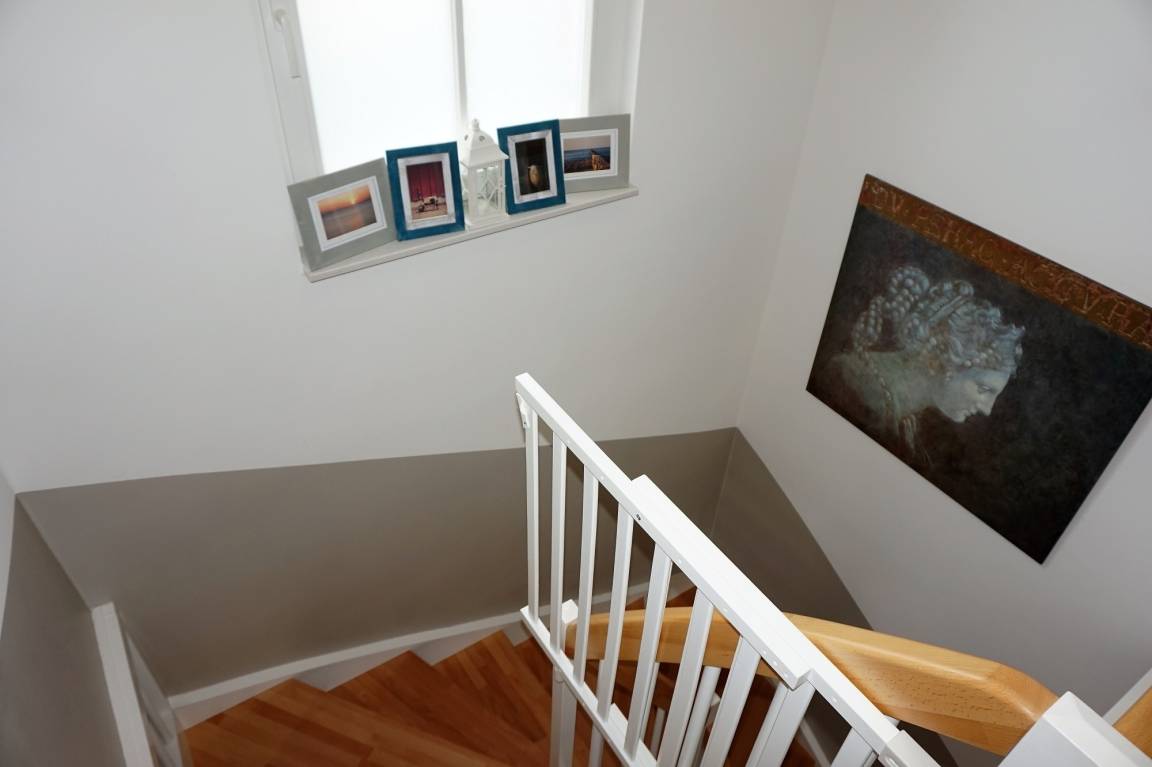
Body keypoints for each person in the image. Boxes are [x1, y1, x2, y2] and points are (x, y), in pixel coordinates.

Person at [824, 265, 1025, 463]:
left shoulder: (905, 418)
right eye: (983, 389)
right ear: (943, 360)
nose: (987, 410)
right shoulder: (859, 386)